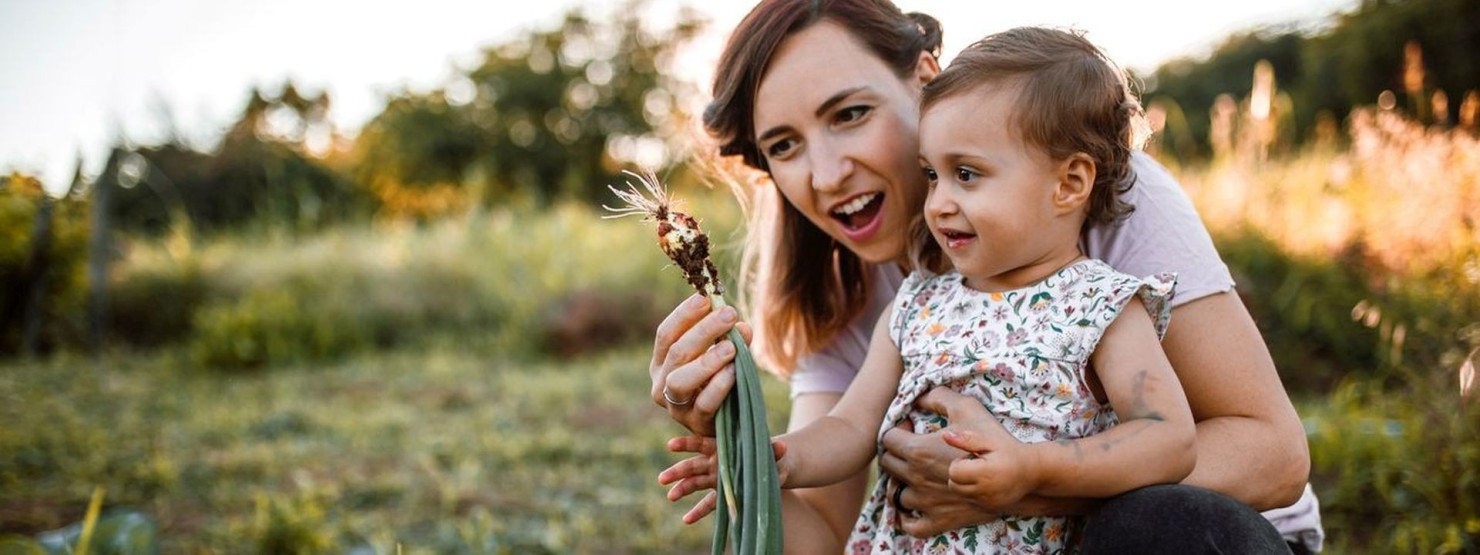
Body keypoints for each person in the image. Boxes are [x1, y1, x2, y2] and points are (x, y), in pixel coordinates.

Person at [649, 0, 1320, 552]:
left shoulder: (1095, 201)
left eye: (850, 114)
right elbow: (823, 524)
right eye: (784, 146)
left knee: (1154, 524)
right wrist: (746, 450)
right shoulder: (880, 300)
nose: (824, 175)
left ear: (925, 78)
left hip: (1189, 537)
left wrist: (1020, 483)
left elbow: (1275, 454)